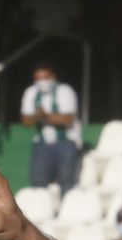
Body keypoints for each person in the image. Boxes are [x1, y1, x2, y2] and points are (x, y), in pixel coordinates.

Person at [20, 62, 81, 192]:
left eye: (45, 77)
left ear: (53, 77)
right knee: (38, 181)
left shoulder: (65, 91)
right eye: (38, 78)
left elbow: (67, 119)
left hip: (66, 141)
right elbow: (26, 121)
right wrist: (39, 116)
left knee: (66, 181)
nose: (42, 82)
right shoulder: (31, 92)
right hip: (43, 142)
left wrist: (44, 116)